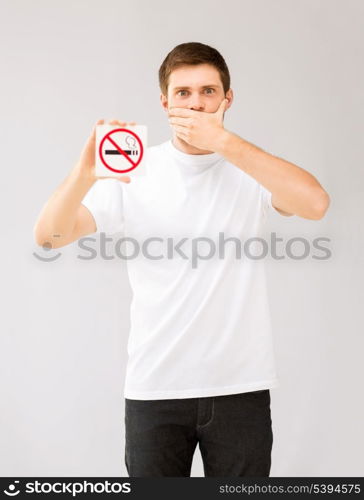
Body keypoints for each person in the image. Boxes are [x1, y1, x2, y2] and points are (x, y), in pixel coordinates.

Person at [33, 42, 330, 477]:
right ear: (165, 102)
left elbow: (316, 204)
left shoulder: (251, 170)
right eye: (184, 92)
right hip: (155, 389)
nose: (196, 102)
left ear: (227, 99)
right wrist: (83, 174)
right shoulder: (134, 171)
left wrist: (223, 142)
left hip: (240, 389)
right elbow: (49, 236)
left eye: (208, 91)